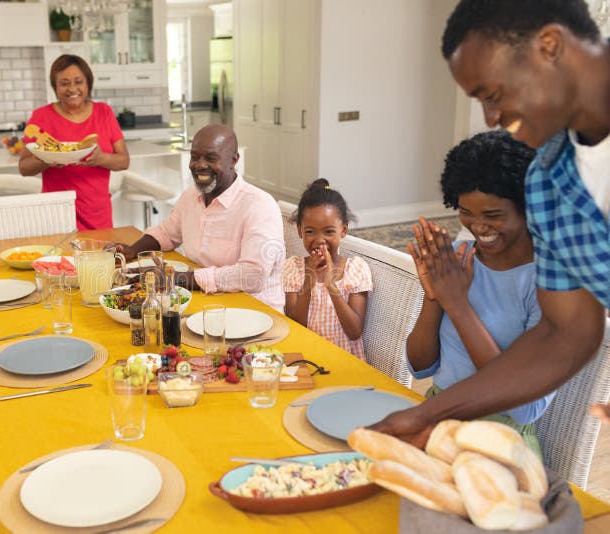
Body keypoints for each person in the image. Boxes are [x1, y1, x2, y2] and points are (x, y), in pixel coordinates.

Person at [371, 0, 609, 447]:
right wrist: (429, 413)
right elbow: (563, 337)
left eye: (493, 94)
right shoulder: (548, 179)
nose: (492, 119)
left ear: (551, 46)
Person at [406, 131, 555, 456]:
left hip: (501, 441)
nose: (477, 227)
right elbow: (420, 367)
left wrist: (458, 305)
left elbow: (524, 407)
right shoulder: (458, 257)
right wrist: (434, 299)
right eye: (466, 212)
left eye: (493, 215)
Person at [117, 124, 285, 311]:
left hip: (254, 311)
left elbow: (253, 276)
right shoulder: (191, 195)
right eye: (194, 157)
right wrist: (132, 250)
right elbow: (167, 233)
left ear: (234, 160)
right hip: (207, 301)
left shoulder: (259, 206)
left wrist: (176, 279)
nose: (200, 165)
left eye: (211, 158)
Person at [19, 54, 130, 230]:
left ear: (88, 83)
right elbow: (24, 168)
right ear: (55, 87)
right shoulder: (42, 116)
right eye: (64, 83)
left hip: (97, 212)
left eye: (78, 82)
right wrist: (47, 159)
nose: (72, 89)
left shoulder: (104, 112)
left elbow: (124, 161)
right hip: (56, 212)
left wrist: (100, 158)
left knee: (100, 257)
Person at [283, 179, 372, 358]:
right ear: (300, 230)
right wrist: (309, 279)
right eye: (310, 231)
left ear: (343, 230)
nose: (320, 239)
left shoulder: (355, 269)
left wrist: (331, 285)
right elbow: (296, 325)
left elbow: (354, 331)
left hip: (344, 365)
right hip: (306, 358)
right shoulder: (293, 268)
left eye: (329, 231)